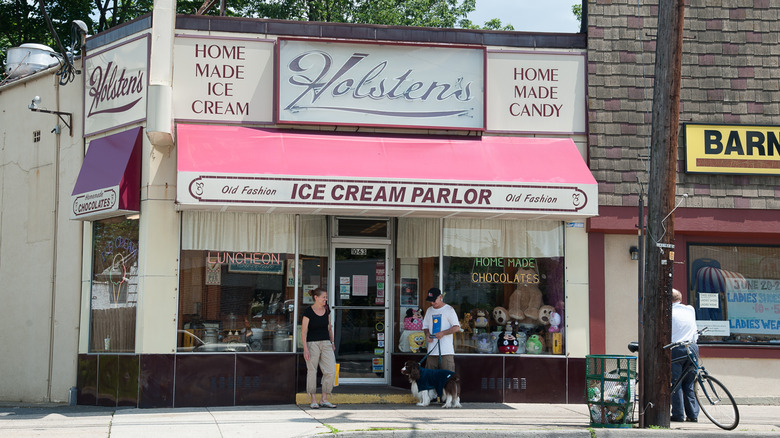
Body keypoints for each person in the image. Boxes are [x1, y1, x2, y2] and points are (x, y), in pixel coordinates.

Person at [301, 287, 337, 409]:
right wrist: (305, 348)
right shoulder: (308, 312)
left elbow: (329, 327)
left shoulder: (326, 310)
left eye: (326, 297)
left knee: (331, 370)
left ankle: (324, 398)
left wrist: (332, 342)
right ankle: (313, 399)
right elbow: (304, 331)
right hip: (312, 344)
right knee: (312, 371)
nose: (325, 299)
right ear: (316, 298)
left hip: (326, 343)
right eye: (323, 297)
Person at [671, 288, 699, 422]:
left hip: (677, 348)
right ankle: (693, 415)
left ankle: (678, 414)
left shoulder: (669, 312)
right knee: (689, 383)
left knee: (675, 383)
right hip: (692, 347)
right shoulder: (690, 309)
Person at [422, 287, 460, 373]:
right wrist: (427, 335)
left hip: (446, 351)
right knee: (430, 378)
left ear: (440, 297)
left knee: (447, 378)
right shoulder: (429, 310)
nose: (432, 303)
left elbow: (456, 327)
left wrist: (443, 333)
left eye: (434, 300)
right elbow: (425, 327)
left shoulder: (449, 309)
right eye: (430, 301)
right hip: (432, 351)